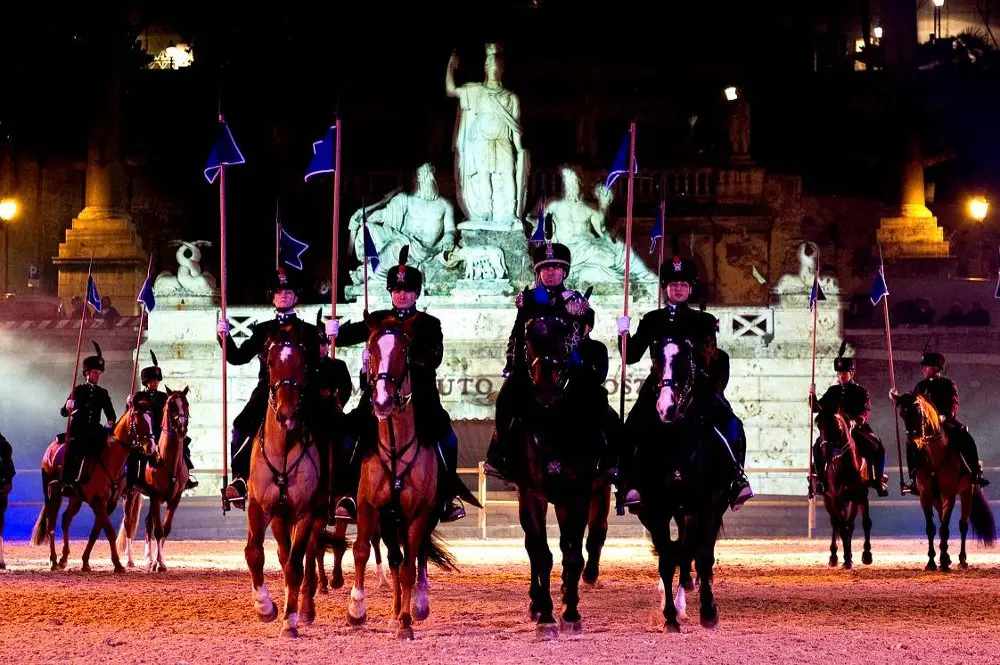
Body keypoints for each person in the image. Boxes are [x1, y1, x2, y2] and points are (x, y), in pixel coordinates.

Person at [329, 247, 467, 523]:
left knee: (448, 438)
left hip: (420, 399)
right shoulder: (378, 320)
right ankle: (346, 494)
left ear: (417, 294)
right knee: (347, 437)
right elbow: (346, 336)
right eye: (396, 291)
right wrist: (333, 331)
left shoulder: (429, 323)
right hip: (377, 399)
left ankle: (446, 495)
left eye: (407, 291)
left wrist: (398, 360)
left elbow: (433, 358)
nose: (401, 295)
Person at [616, 254, 754, 511]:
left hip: (695, 385)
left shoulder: (702, 321)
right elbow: (631, 356)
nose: (678, 289)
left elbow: (710, 355)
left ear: (690, 288)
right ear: (665, 288)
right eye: (673, 284)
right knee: (630, 427)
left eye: (683, 285)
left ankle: (736, 477)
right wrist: (623, 335)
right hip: (659, 386)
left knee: (732, 424)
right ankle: (629, 482)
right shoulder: (653, 319)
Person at [483, 235, 587, 481]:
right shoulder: (528, 300)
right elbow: (517, 334)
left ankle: (604, 458)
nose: (551, 273)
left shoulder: (575, 300)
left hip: (566, 368)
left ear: (564, 272)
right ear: (539, 272)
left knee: (595, 403)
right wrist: (512, 363)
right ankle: (499, 455)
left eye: (556, 268)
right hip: (533, 367)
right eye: (546, 268)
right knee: (506, 400)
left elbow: (582, 333)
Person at [216, 269, 322, 509]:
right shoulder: (263, 330)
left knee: (326, 427)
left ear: (296, 297)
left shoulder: (308, 331)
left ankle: (334, 490)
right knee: (240, 426)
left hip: (302, 391)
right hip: (268, 392)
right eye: (278, 292)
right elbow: (238, 357)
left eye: (288, 291)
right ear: (272, 297)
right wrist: (225, 338)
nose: (283, 295)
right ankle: (241, 479)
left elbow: (316, 365)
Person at [898, 351, 988, 494]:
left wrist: (945, 415)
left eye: (926, 366)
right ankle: (914, 478)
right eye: (923, 366)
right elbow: (912, 404)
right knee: (911, 444)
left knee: (966, 438)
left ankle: (975, 473)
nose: (923, 369)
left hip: (946, 422)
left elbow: (954, 403)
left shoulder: (948, 384)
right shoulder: (920, 386)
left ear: (936, 368)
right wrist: (897, 397)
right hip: (925, 427)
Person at [809, 348, 888, 497]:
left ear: (851, 373)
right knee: (817, 447)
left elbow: (866, 410)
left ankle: (878, 480)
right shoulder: (832, 391)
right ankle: (819, 480)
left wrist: (855, 421)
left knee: (877, 446)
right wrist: (812, 395)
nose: (841, 377)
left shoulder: (860, 391)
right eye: (839, 374)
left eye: (844, 373)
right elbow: (817, 408)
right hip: (834, 430)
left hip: (857, 427)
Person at [126, 352, 199, 491]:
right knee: (133, 453)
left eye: (156, 381)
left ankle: (186, 476)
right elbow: (131, 415)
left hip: (161, 432)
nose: (154, 383)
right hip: (145, 434)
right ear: (146, 382)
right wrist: (129, 402)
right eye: (152, 381)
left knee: (183, 444)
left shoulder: (164, 396)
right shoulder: (139, 396)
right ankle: (131, 482)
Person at [60, 342, 116, 495]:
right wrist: (67, 406)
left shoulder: (102, 392)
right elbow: (64, 412)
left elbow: (110, 414)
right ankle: (67, 482)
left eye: (99, 373)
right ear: (87, 374)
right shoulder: (78, 390)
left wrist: (110, 423)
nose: (97, 376)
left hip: (95, 429)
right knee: (72, 449)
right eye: (94, 373)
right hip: (79, 428)